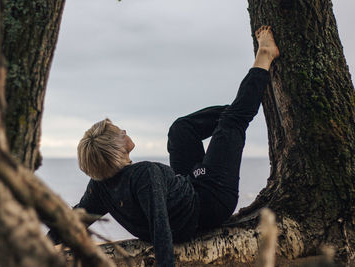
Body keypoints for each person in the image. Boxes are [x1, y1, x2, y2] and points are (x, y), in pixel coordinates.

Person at [49, 26, 279, 267]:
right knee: (232, 122)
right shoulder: (145, 174)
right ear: (116, 150)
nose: (124, 131)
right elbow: (161, 228)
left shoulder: (101, 187)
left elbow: (72, 221)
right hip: (211, 201)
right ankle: (264, 56)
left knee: (180, 129)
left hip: (189, 189)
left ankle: (240, 107)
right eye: (119, 132)